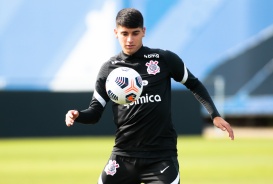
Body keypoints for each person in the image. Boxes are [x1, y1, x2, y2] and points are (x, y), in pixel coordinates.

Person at [65, 8, 234, 184]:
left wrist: (214, 115)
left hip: (161, 158)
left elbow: (194, 83)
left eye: (135, 33)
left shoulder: (164, 59)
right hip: (123, 156)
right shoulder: (108, 69)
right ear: (116, 33)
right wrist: (78, 115)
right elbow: (95, 112)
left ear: (143, 32)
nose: (130, 39)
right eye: (124, 33)